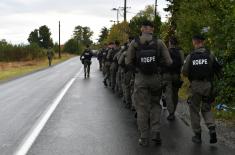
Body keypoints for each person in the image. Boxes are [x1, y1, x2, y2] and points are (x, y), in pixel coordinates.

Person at [126, 20, 172, 146]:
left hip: (140, 79)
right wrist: (159, 69)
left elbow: (128, 62)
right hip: (156, 78)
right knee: (155, 104)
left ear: (142, 28)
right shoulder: (159, 42)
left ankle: (143, 137)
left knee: (141, 107)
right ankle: (156, 132)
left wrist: (137, 70)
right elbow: (169, 62)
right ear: (152, 29)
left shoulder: (134, 43)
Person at [182, 34, 220, 144]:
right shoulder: (210, 54)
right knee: (206, 108)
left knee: (194, 109)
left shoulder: (190, 56)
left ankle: (197, 135)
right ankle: (211, 128)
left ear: (194, 42)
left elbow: (184, 72)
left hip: (195, 86)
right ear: (202, 42)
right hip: (208, 85)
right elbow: (217, 68)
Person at [162, 37, 184, 121]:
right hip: (176, 75)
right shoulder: (180, 51)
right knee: (175, 94)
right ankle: (173, 111)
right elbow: (182, 63)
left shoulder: (166, 51)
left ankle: (171, 113)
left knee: (168, 94)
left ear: (170, 43)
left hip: (166, 75)